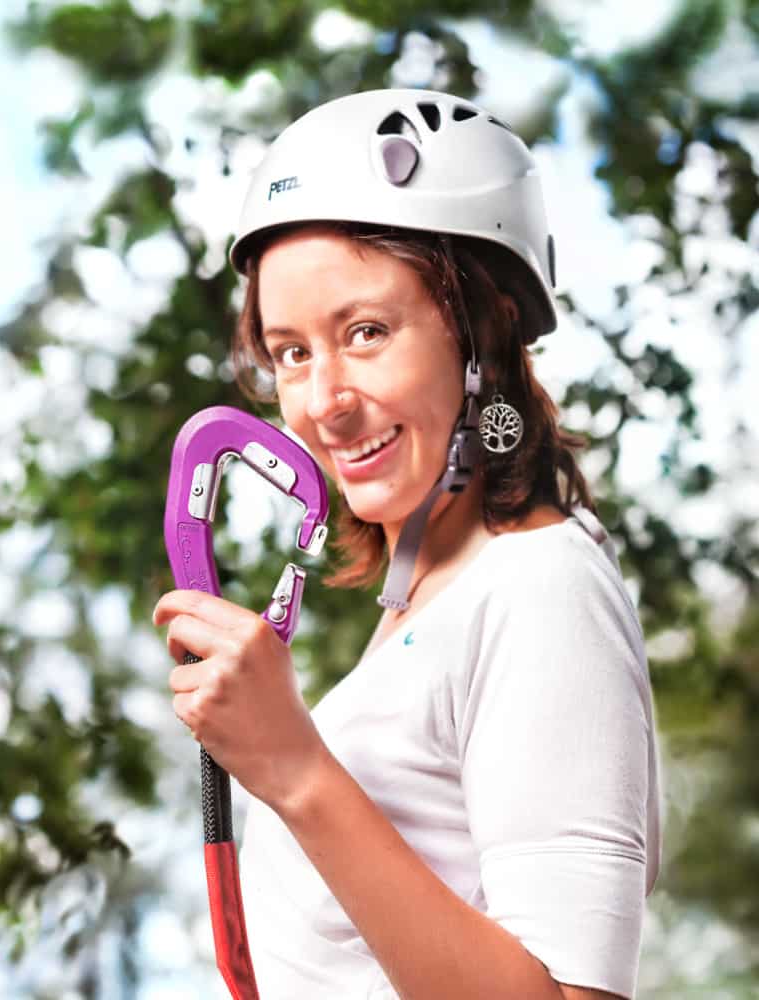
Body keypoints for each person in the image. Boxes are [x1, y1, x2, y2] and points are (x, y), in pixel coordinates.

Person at [153, 89, 661, 1000]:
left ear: (483, 337)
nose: (324, 401)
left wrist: (296, 768)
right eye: (291, 353)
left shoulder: (540, 585)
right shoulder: (428, 607)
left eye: (367, 333)